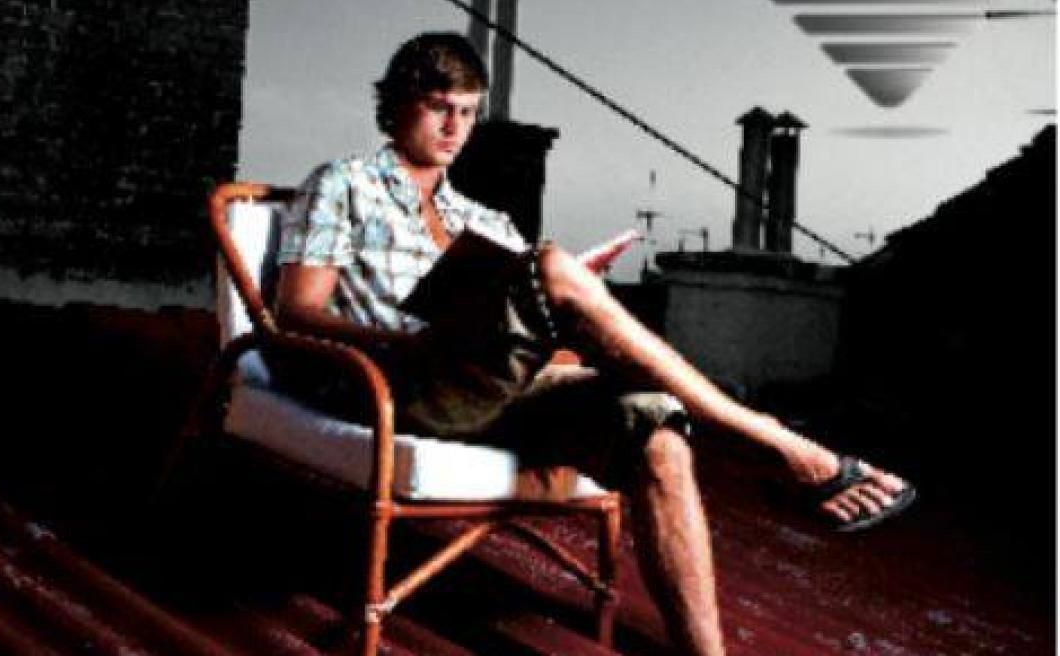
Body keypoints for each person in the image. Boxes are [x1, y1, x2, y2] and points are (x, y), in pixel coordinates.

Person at [271, 32, 915, 656]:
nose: (454, 128)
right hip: (400, 384)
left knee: (655, 427)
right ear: (397, 105)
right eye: (439, 107)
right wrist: (406, 342)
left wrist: (569, 328)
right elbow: (296, 311)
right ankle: (773, 440)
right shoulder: (343, 183)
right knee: (551, 267)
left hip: (494, 392)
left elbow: (525, 326)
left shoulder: (482, 219)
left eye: (467, 112)